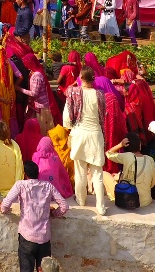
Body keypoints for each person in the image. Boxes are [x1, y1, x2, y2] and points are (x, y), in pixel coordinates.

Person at [0, 160, 70, 272]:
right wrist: (54, 213)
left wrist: (1, 207)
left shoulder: (21, 185)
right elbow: (64, 206)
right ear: (38, 173)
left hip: (27, 236)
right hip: (44, 238)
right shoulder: (48, 186)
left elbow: (5, 206)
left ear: (25, 174)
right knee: (45, 270)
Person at [64, 67, 107, 215]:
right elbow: (103, 116)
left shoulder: (73, 92)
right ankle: (101, 207)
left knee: (80, 172)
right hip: (95, 135)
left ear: (81, 77)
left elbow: (67, 117)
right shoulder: (100, 95)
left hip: (80, 134)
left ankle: (81, 200)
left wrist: (70, 130)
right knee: (97, 174)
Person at [105, 133, 155, 207]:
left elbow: (108, 153)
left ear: (126, 146)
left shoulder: (127, 156)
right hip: (146, 201)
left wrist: (120, 145)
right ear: (140, 145)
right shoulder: (150, 159)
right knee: (119, 176)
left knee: (104, 174)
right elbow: (152, 183)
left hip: (129, 200)